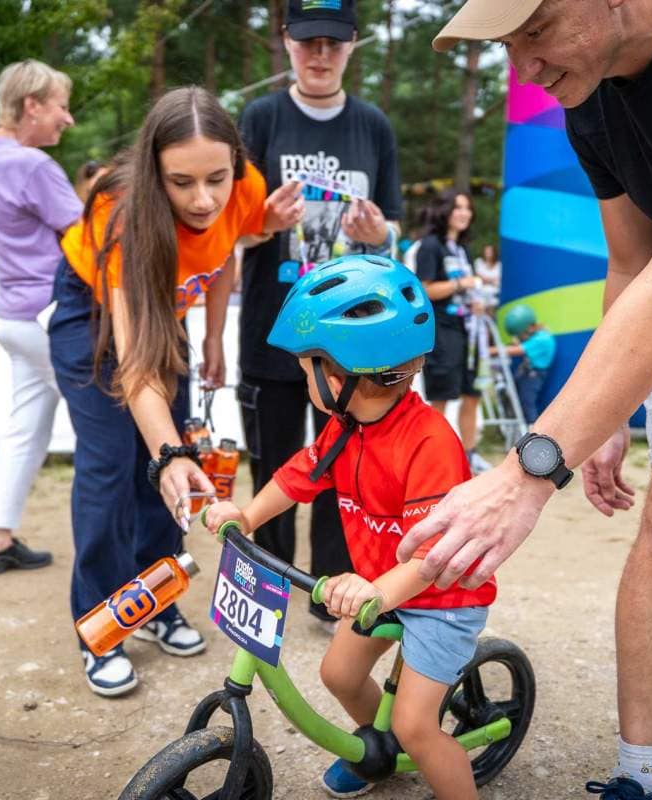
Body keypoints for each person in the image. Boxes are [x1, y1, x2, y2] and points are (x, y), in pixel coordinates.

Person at [397, 2, 652, 798]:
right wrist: (606, 414)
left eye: (535, 32)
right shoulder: (590, 97)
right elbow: (632, 259)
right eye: (508, 46)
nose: (526, 68)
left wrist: (526, 473)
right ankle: (637, 778)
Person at [206, 255, 495, 800]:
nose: (303, 375)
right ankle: (380, 752)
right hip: (379, 589)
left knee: (419, 726)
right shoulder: (345, 426)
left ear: (342, 375)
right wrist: (246, 516)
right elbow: (297, 478)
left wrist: (374, 587)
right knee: (338, 675)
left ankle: (432, 765)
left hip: (441, 595)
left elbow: (432, 558)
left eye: (307, 364)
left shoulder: (429, 442)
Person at [50, 85, 304, 697]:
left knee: (175, 468)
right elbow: (137, 367)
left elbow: (226, 252)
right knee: (118, 463)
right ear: (153, 168)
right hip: (94, 317)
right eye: (181, 182)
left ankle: (155, 601)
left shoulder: (242, 182)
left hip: (171, 312)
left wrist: (215, 336)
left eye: (215, 179)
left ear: (235, 163)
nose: (203, 198)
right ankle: (101, 625)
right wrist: (167, 453)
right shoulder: (120, 209)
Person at [237, 0, 403, 631]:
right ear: (286, 42)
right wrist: (265, 223)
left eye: (334, 42)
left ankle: (330, 594)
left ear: (353, 45)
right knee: (275, 468)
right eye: (309, 41)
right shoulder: (260, 118)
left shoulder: (373, 125)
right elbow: (231, 231)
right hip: (273, 332)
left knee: (343, 469)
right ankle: (267, 595)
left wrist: (377, 231)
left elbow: (391, 229)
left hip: (350, 338)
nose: (321, 55)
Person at [0, 59, 82, 576]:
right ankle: (124, 546)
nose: (68, 119)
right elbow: (89, 239)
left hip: (14, 317)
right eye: (61, 107)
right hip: (49, 315)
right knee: (111, 424)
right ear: (31, 105)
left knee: (26, 429)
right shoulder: (33, 166)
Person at [415, 189, 491, 475]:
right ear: (444, 210)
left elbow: (467, 288)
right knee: (442, 395)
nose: (464, 213)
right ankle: (434, 459)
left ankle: (469, 455)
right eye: (458, 207)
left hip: (468, 330)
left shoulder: (462, 249)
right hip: (443, 330)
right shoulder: (430, 246)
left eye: (468, 208)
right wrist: (463, 285)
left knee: (473, 393)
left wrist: (476, 303)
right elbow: (424, 289)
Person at [494, 304, 556, 426]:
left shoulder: (542, 338)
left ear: (531, 327)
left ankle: (533, 430)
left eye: (521, 335)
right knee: (515, 399)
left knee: (527, 402)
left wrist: (491, 350)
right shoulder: (536, 336)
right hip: (527, 372)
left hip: (534, 374)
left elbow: (518, 350)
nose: (520, 338)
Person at [473, 243, 502, 309]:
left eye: (490, 251)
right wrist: (492, 281)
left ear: (494, 252)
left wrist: (485, 280)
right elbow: (478, 277)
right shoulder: (478, 262)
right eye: (486, 251)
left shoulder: (499, 264)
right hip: (480, 294)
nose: (487, 253)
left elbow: (499, 280)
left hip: (495, 295)